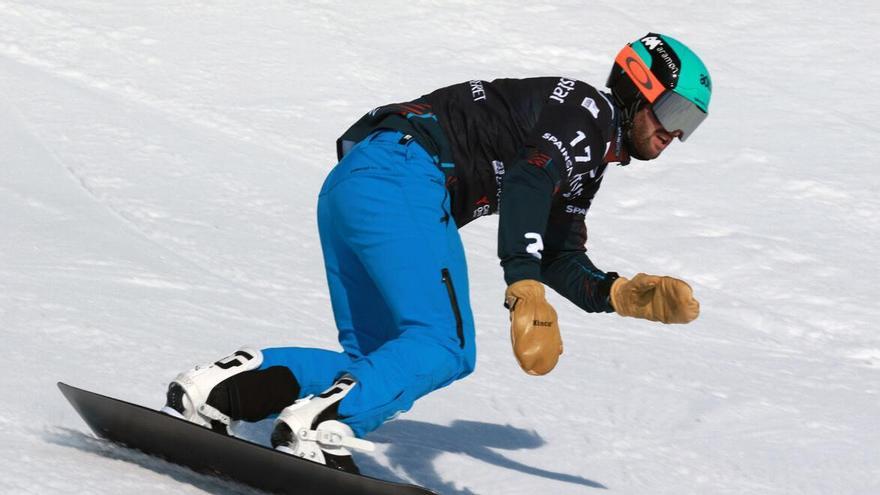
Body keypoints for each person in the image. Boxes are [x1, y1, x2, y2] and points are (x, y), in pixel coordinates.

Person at [161, 33, 710, 473]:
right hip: (407, 176)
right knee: (447, 347)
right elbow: (526, 185)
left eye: (690, 126)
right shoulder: (590, 111)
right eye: (675, 112)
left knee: (381, 364)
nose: (675, 135)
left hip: (358, 182)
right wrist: (521, 285)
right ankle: (317, 424)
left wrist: (615, 293)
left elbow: (555, 247)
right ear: (639, 88)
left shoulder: (586, 153)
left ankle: (220, 389)